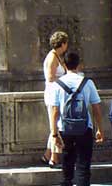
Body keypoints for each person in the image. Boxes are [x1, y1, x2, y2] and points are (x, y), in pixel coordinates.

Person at [49, 51, 103, 186]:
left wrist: (54, 133)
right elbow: (96, 108)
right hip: (85, 128)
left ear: (64, 65)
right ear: (78, 65)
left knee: (67, 160)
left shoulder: (57, 84)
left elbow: (54, 111)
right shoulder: (88, 83)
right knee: (83, 163)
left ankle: (67, 182)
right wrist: (100, 129)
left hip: (65, 128)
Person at [42, 31, 69, 167]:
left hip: (58, 95)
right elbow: (50, 77)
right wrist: (65, 80)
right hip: (53, 96)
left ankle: (47, 155)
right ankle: (54, 158)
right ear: (62, 44)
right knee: (56, 127)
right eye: (66, 43)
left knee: (55, 125)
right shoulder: (52, 57)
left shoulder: (58, 57)